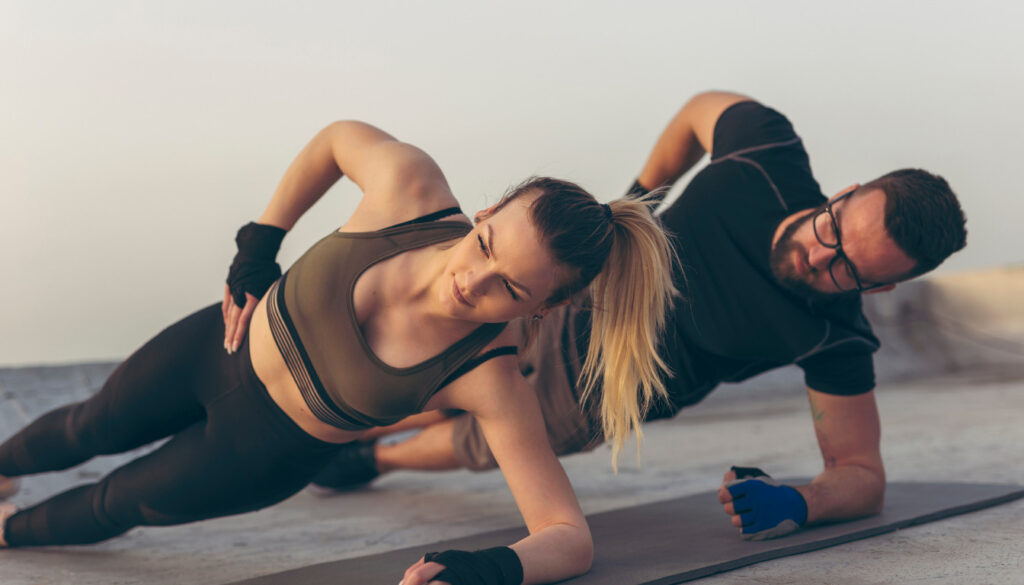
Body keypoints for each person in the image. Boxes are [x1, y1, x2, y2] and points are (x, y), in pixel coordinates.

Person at [0, 120, 678, 585]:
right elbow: (334, 142)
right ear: (484, 213)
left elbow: (567, 534)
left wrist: (487, 567)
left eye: (510, 289)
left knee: (115, 501)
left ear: (543, 309)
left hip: (258, 451)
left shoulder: (491, 378)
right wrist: (259, 243)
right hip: (218, 344)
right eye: (485, 247)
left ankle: (7, 531)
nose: (472, 282)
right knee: (86, 423)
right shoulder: (409, 191)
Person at [309, 91, 968, 542]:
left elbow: (862, 475)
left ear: (880, 288)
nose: (822, 256)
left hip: (604, 393)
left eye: (851, 271)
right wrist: (634, 204)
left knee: (479, 440)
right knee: (437, 377)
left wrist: (800, 501)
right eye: (834, 228)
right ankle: (333, 424)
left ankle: (375, 460)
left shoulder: (837, 336)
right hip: (575, 298)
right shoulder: (766, 151)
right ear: (847, 193)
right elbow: (693, 113)